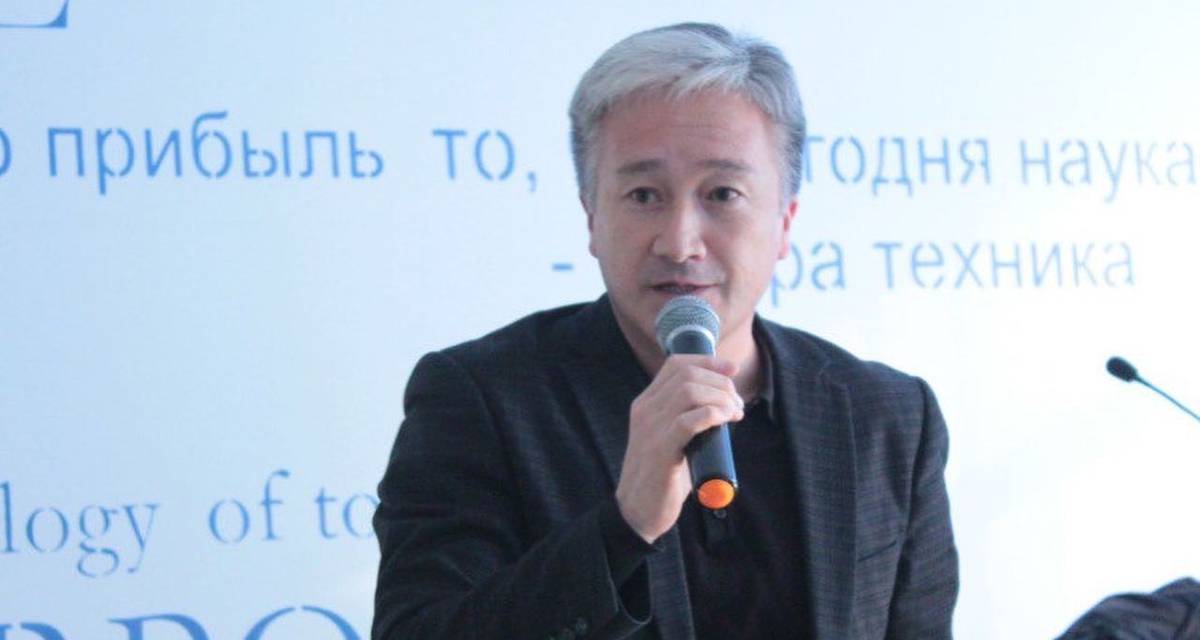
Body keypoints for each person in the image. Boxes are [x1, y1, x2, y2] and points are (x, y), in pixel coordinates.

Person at [372, 22, 958, 640]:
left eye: (722, 193)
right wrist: (625, 525)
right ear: (592, 217)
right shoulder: (482, 400)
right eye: (644, 195)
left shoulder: (887, 416)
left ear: (785, 223)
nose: (680, 243)